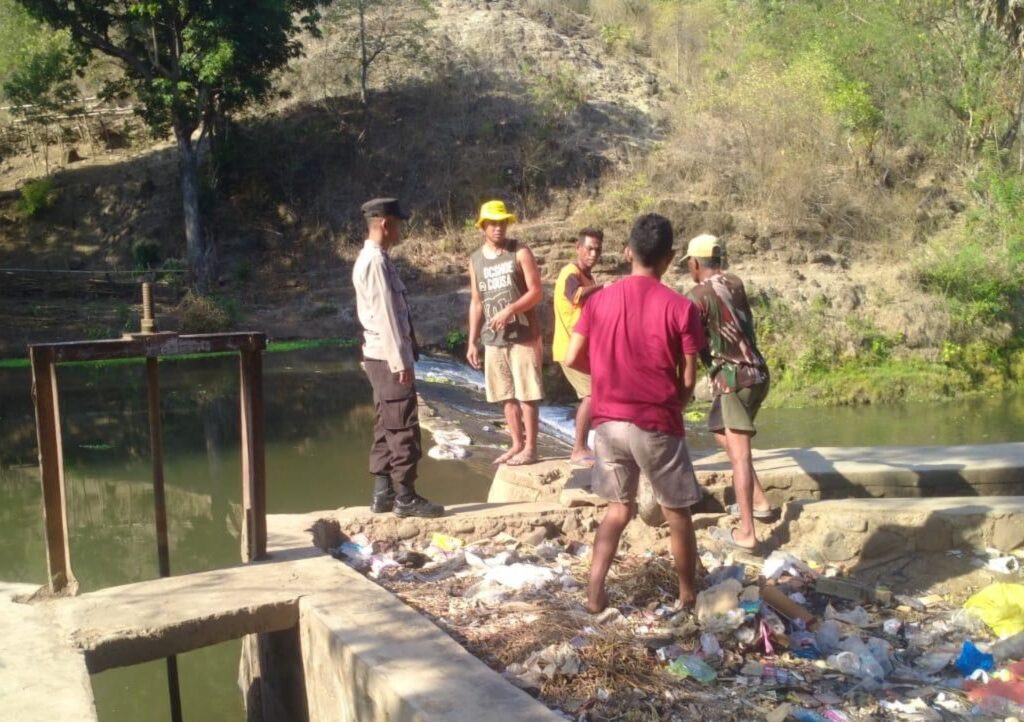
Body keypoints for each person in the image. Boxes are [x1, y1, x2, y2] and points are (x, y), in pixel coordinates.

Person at [564, 213, 705, 613]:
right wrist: (676, 401)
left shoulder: (599, 300)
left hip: (607, 424)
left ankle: (593, 593)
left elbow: (572, 356)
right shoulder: (681, 308)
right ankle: (687, 594)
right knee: (676, 511)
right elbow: (690, 377)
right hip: (656, 421)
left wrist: (609, 376)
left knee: (618, 509)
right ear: (670, 257)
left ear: (628, 252)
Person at [352, 197, 443, 518]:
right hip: (387, 358)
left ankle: (383, 493)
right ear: (385, 224)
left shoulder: (376, 259)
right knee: (403, 425)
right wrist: (400, 362)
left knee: (385, 424)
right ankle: (405, 497)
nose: (402, 228)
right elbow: (387, 317)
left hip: (379, 357)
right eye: (399, 223)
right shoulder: (375, 263)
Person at [684, 233, 772, 552]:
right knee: (720, 431)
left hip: (735, 379)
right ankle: (759, 500)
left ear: (695, 263)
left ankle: (747, 532)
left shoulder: (696, 297)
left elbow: (688, 342)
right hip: (757, 373)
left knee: (739, 455)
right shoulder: (734, 282)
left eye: (689, 265)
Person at [466, 200, 544, 466]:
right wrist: (472, 341)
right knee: (505, 395)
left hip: (523, 335)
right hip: (493, 339)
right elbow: (477, 302)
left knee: (528, 393)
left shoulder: (520, 251)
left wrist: (511, 309)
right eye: (493, 223)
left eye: (503, 223)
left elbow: (536, 291)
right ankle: (516, 444)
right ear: (483, 226)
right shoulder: (475, 260)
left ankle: (531, 448)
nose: (499, 228)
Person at [552, 228, 605, 465]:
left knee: (599, 393)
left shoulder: (588, 278)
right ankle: (579, 449)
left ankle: (595, 444)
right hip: (569, 349)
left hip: (584, 349)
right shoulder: (569, 273)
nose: (594, 253)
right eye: (589, 248)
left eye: (598, 249)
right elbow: (575, 296)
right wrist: (604, 287)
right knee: (591, 394)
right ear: (578, 248)